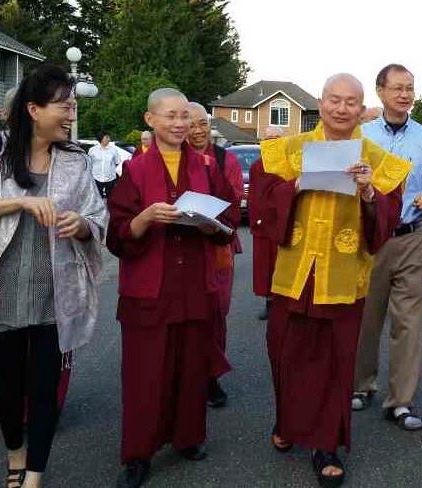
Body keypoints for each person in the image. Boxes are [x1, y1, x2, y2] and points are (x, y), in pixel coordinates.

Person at [0, 63, 107, 488]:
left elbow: (97, 215)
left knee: (44, 389)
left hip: (56, 292)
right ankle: (15, 454)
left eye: (73, 105)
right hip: (2, 288)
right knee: (8, 385)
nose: (71, 114)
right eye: (64, 106)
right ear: (34, 109)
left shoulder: (75, 160)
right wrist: (19, 203)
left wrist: (83, 225)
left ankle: (34, 473)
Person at [256, 73, 410, 487]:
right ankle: (288, 422)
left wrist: (370, 194)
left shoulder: (378, 160)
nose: (341, 108)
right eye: (334, 100)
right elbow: (262, 208)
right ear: (320, 103)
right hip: (295, 272)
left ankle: (326, 444)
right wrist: (295, 186)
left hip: (342, 276)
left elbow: (388, 221)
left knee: (333, 362)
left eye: (350, 102)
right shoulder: (287, 150)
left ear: (362, 109)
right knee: (286, 353)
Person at [107, 88, 239, 488]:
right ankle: (138, 454)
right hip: (149, 287)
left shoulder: (206, 167)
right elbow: (117, 233)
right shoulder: (134, 169)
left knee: (191, 367)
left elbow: (229, 218)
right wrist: (146, 218)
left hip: (195, 283)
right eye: (171, 116)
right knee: (145, 374)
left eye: (185, 116)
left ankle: (188, 437)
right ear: (151, 120)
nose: (180, 124)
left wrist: (211, 226)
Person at [352, 64, 422, 430]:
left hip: (412, 237)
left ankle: (401, 401)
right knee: (366, 317)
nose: (404, 95)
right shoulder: (361, 136)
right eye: (397, 88)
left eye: (409, 88)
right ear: (380, 91)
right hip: (370, 240)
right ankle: (361, 385)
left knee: (408, 323)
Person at [186, 101, 243, 408]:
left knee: (216, 314)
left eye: (203, 124)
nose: (198, 131)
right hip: (183, 245)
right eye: (191, 125)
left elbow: (234, 200)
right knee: (185, 313)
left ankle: (211, 376)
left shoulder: (225, 159)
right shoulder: (174, 157)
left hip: (217, 246)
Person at [250, 125, 283, 321]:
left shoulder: (290, 163)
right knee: (266, 267)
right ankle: (269, 304)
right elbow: (253, 196)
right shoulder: (256, 166)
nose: (272, 142)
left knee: (283, 265)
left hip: (284, 223)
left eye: (276, 138)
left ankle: (284, 305)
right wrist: (256, 220)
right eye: (268, 139)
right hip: (263, 226)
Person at [89, 131, 120, 198]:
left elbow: (117, 162)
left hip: (110, 179)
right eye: (107, 137)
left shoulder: (113, 150)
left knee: (111, 198)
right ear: (101, 139)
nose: (109, 139)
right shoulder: (92, 150)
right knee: (97, 199)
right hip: (96, 178)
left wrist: (110, 169)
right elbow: (90, 163)